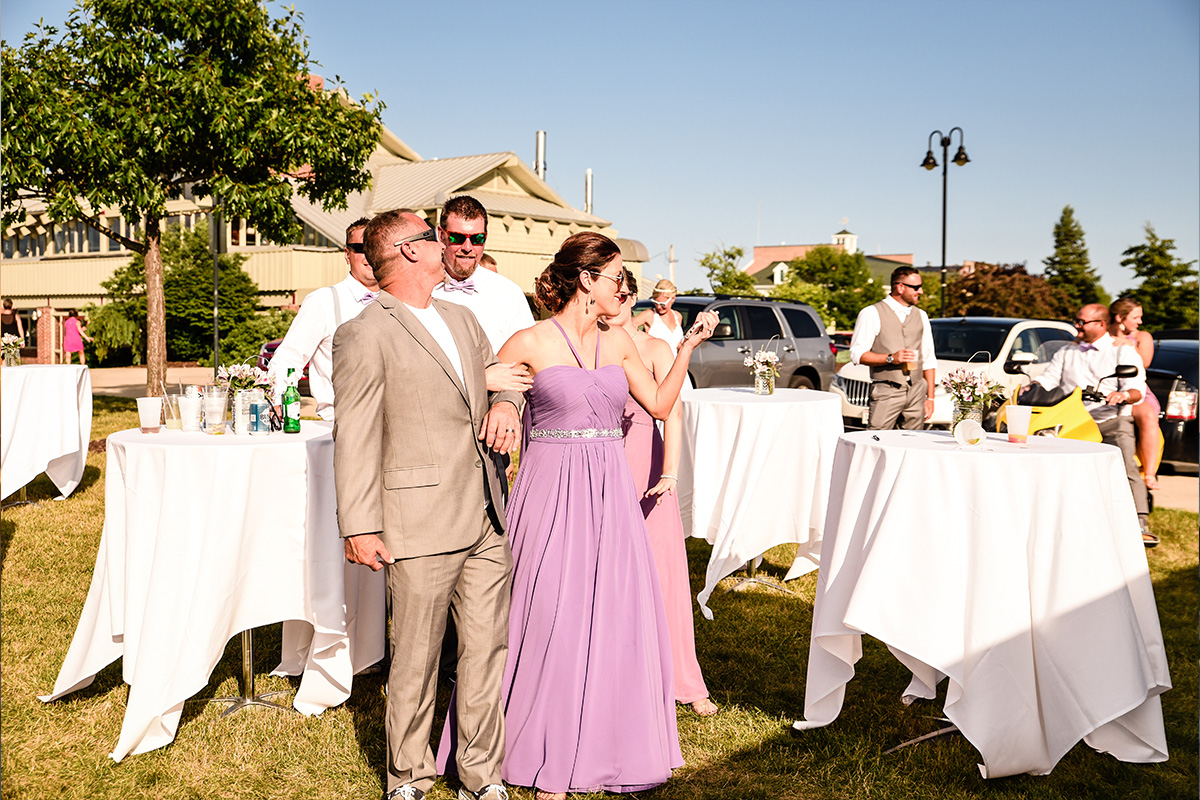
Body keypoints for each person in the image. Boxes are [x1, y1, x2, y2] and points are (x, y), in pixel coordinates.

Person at [442, 231, 716, 800]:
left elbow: (660, 405)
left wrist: (687, 347)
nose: (623, 287)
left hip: (610, 491)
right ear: (585, 279)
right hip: (548, 489)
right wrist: (501, 401)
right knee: (547, 614)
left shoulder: (619, 343)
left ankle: (601, 745)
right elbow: (474, 388)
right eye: (616, 276)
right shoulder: (530, 339)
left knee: (610, 610)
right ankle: (536, 751)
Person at [332, 209, 522, 800]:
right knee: (414, 660)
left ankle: (481, 777)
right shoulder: (363, 332)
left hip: (488, 512)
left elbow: (503, 377)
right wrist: (359, 524)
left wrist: (507, 405)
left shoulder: (463, 320)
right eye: (432, 236)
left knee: (485, 654)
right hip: (418, 521)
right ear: (409, 252)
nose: (445, 244)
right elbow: (355, 434)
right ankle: (408, 778)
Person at [610, 268, 717, 717]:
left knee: (665, 575)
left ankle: (685, 680)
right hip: (602, 466)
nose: (615, 301)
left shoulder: (653, 347)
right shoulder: (585, 349)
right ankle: (618, 672)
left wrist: (670, 472)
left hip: (648, 466)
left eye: (623, 293)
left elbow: (669, 413)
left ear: (633, 298)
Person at [1022, 303, 1154, 545]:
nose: (1077, 326)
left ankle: (1139, 522)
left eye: (1081, 322)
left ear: (1101, 324)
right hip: (1072, 421)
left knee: (1125, 466)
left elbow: (1137, 389)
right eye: (1076, 320)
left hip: (1110, 419)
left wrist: (1122, 396)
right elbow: (1049, 379)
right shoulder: (1066, 351)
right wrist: (1032, 386)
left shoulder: (1121, 352)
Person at [268, 217, 378, 421]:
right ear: (347, 254)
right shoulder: (323, 301)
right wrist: (277, 402)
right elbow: (289, 358)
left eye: (375, 247)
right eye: (361, 248)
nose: (369, 254)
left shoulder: (400, 300)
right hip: (343, 424)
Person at [431, 195, 536, 354]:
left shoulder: (509, 294)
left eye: (477, 238)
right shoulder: (418, 288)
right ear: (441, 235)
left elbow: (529, 355)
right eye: (457, 237)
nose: (467, 247)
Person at [848, 267, 937, 430]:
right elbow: (857, 354)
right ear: (900, 287)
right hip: (887, 390)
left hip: (916, 391)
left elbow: (929, 359)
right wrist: (891, 358)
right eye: (916, 287)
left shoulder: (922, 316)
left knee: (913, 443)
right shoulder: (871, 313)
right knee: (876, 439)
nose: (921, 291)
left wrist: (930, 398)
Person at [1109, 298, 1161, 491]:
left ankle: (1149, 473)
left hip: (1136, 389)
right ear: (1119, 317)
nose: (1139, 321)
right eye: (1136, 317)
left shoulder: (1142, 337)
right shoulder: (1103, 336)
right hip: (1107, 388)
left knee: (1147, 414)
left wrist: (1128, 345)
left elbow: (1145, 362)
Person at [631, 279, 684, 352]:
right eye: (655, 303)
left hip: (674, 362)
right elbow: (625, 329)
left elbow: (676, 345)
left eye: (662, 304)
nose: (658, 307)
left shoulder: (678, 316)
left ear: (673, 299)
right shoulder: (649, 315)